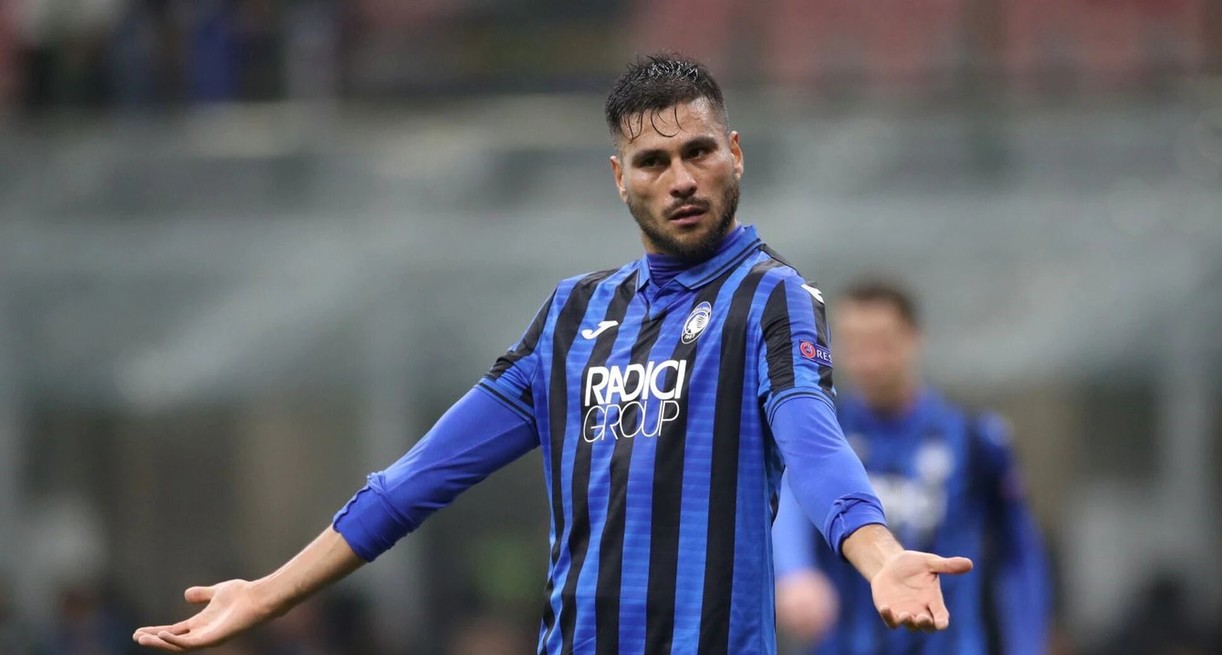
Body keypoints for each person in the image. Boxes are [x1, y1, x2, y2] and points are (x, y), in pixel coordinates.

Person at [133, 54, 973, 655]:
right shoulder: (574, 314)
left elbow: (813, 442)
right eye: (653, 161)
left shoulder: (770, 297)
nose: (680, 178)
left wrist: (879, 553)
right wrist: (268, 592)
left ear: (735, 154)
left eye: (699, 151)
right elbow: (415, 480)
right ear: (619, 178)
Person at [773, 279, 1050, 655]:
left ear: (913, 339)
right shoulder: (821, 436)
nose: (869, 361)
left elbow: (1020, 554)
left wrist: (1025, 644)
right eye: (855, 345)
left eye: (881, 344)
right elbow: (789, 504)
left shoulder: (973, 439)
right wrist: (796, 573)